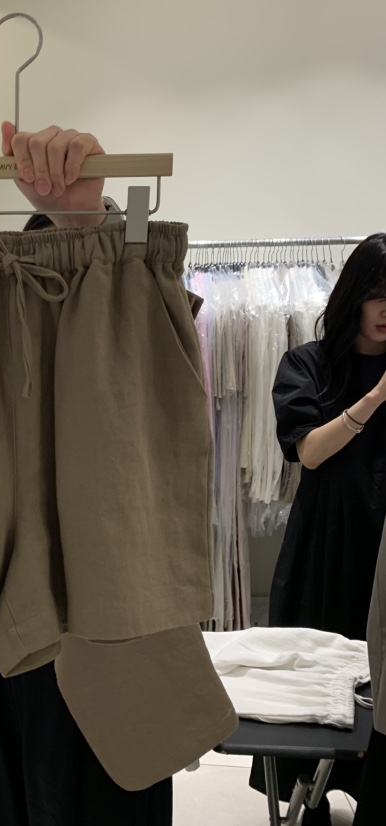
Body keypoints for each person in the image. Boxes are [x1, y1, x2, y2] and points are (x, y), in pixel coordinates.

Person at [0, 122, 238, 826]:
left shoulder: (131, 341)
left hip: (111, 670)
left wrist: (87, 220)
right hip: (5, 668)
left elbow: (149, 448)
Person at [249, 234, 386, 824]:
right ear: (354, 295)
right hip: (327, 539)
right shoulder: (307, 363)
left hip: (384, 542)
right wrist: (376, 397)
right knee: (314, 669)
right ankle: (312, 795)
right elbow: (309, 452)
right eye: (378, 295)